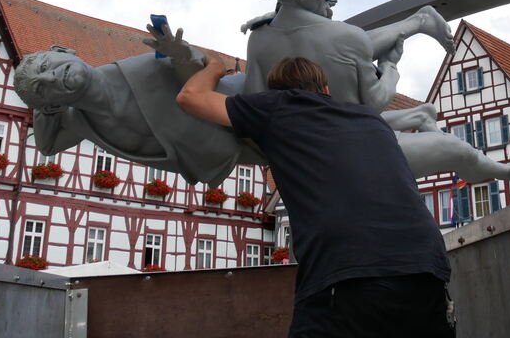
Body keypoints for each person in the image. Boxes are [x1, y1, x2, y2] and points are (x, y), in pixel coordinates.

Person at [177, 55, 457, 338]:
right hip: (426, 266)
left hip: (350, 269)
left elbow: (190, 97)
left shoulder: (277, 107)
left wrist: (214, 67)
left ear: (278, 93)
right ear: (325, 90)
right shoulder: (370, 118)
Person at [246, 0, 510, 183]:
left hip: (310, 144)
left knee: (355, 89)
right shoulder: (345, 35)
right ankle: (506, 171)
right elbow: (375, 102)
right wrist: (391, 67)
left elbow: (255, 111)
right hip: (356, 148)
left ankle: (421, 95)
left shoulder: (258, 39)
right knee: (458, 149)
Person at [12, 25, 259, 187]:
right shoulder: (81, 123)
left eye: (45, 66)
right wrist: (41, 103)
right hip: (245, 152)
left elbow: (206, 71)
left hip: (255, 105)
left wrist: (185, 56)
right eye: (42, 88)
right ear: (53, 106)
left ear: (64, 50)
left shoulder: (147, 68)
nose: (50, 77)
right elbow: (47, 146)